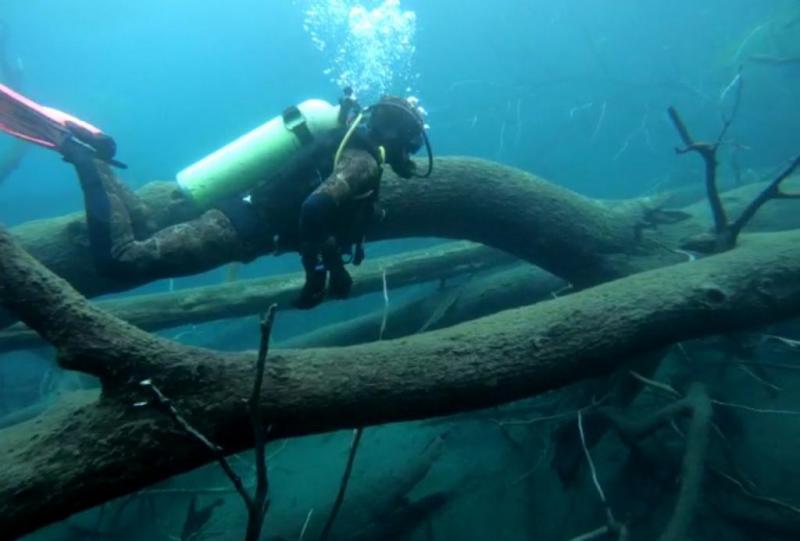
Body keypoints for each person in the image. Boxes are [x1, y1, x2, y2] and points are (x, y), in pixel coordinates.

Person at [0, 85, 432, 309]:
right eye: (411, 147)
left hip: (235, 212)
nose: (410, 157)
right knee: (120, 259)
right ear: (401, 139)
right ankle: (79, 154)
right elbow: (316, 207)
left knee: (147, 225)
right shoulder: (363, 162)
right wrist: (322, 272)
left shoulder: (342, 142)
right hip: (235, 232)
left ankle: (94, 152)